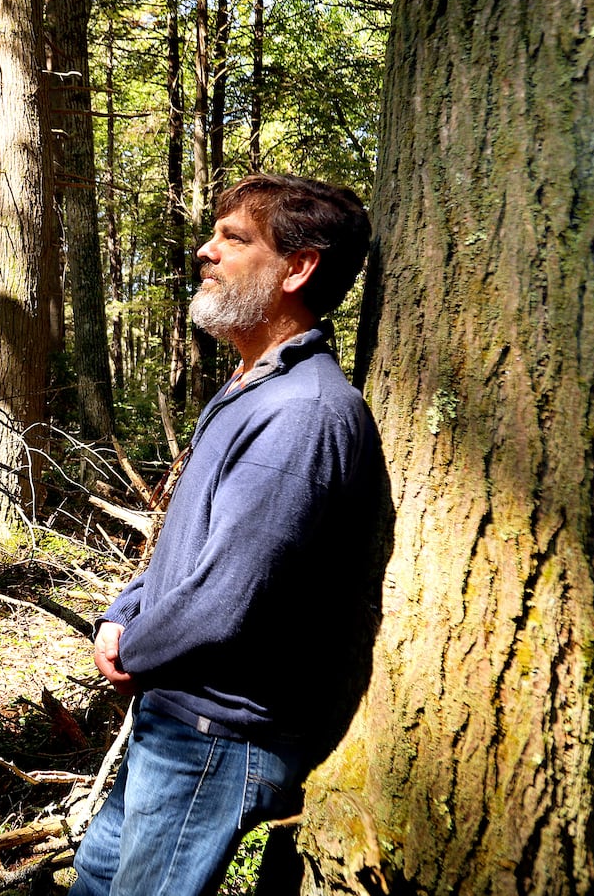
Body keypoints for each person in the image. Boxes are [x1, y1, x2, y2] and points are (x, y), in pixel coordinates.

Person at [70, 174, 386, 896]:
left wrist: (135, 651)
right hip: (176, 719)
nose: (204, 251)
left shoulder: (304, 410)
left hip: (218, 736)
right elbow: (188, 547)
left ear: (298, 266)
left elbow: (229, 595)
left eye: (233, 239)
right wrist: (121, 612)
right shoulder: (248, 386)